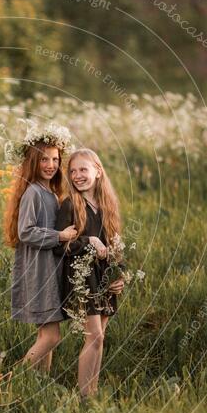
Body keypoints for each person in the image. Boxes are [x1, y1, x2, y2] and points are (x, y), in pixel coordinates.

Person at [54, 148, 126, 400]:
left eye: (83, 169)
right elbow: (61, 245)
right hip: (80, 278)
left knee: (100, 338)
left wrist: (120, 274)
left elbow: (115, 246)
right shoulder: (69, 204)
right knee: (93, 336)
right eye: (72, 171)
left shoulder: (107, 205)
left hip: (104, 277)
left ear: (98, 170)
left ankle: (92, 392)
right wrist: (90, 241)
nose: (77, 175)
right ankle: (84, 397)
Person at [5, 126, 78, 374]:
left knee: (46, 333)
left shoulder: (50, 193)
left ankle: (40, 381)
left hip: (49, 269)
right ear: (33, 161)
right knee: (52, 336)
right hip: (38, 271)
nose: (50, 164)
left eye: (55, 159)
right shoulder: (33, 192)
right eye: (44, 159)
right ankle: (14, 378)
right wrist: (59, 235)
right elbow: (25, 231)